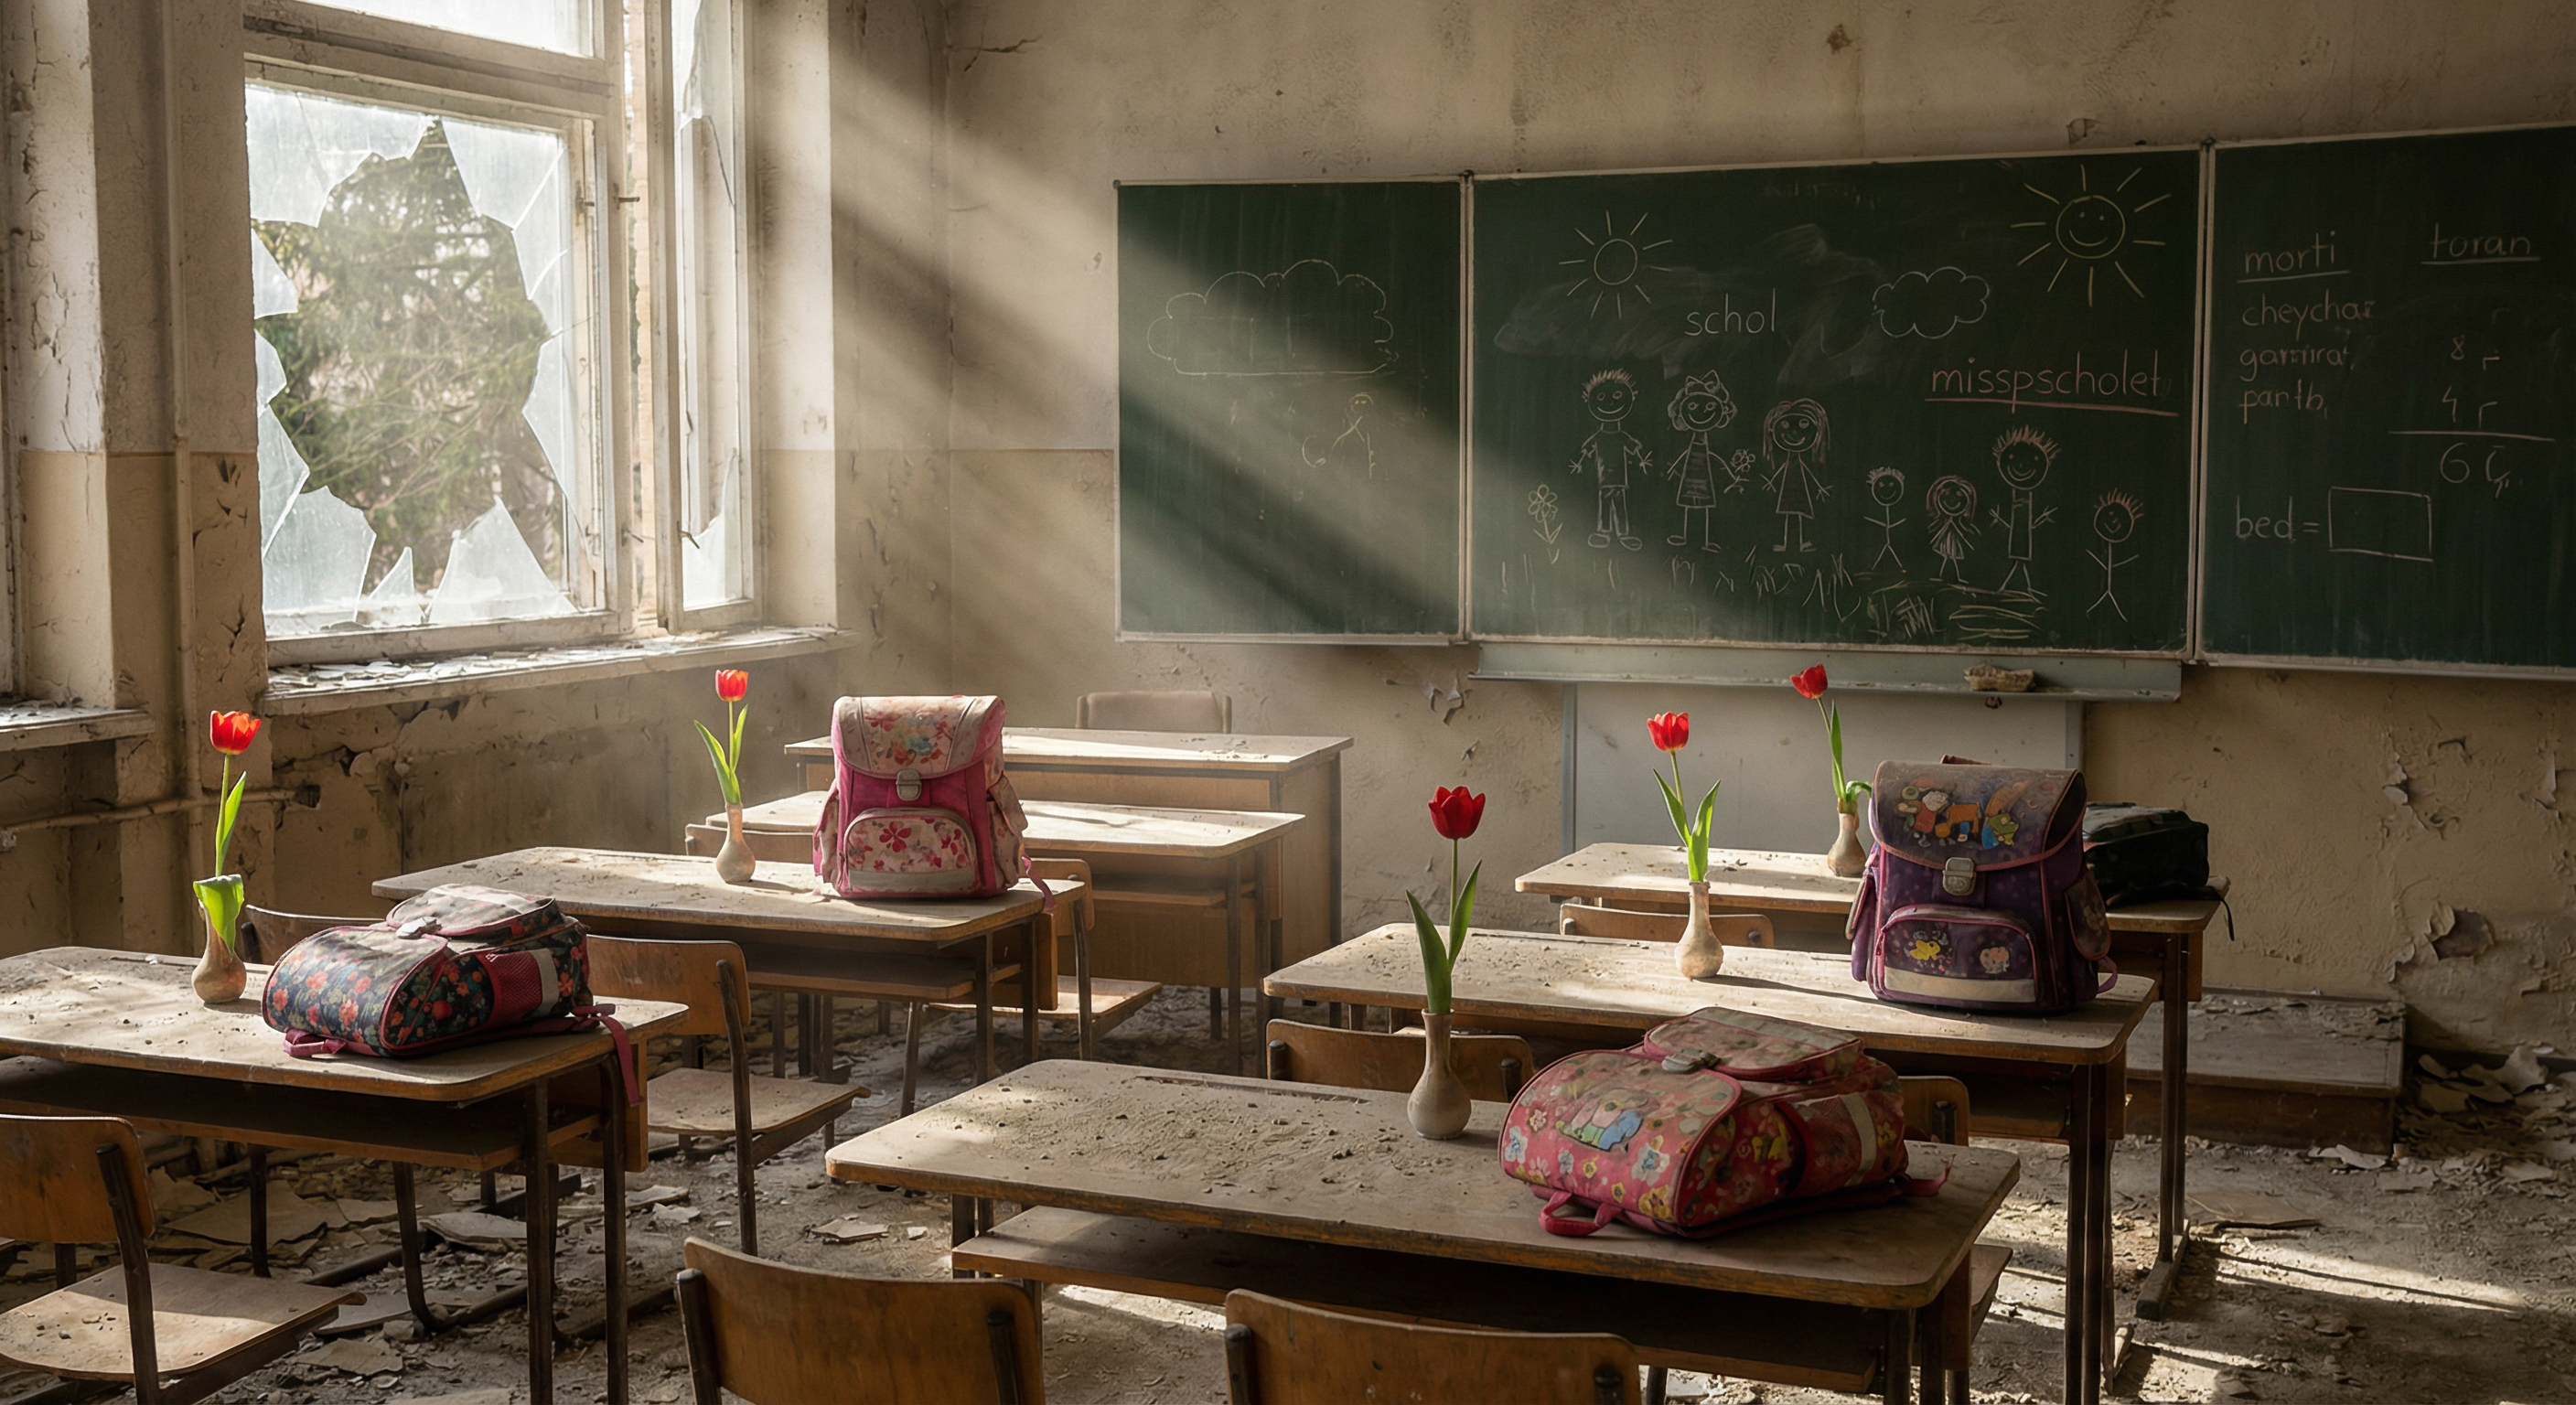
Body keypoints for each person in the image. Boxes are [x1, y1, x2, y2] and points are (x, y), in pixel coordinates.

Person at [1569, 369, 1648, 550]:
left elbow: (1634, 447)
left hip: (1618, 478)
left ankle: (1622, 533)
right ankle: (1605, 532)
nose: (1610, 402)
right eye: (1601, 397)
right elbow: (1586, 449)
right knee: (1607, 504)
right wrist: (1581, 459)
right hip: (1604, 478)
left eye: (1617, 395)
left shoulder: (1621, 436)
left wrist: (1640, 457)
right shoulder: (1600, 436)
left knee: (1618, 505)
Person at [1662, 370, 1741, 552]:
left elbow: (1713, 459)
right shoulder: (1692, 445)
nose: (1702, 411)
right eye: (1693, 406)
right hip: (1691, 477)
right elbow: (1688, 457)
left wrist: (1731, 477)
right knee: (1689, 505)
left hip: (1702, 478)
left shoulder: (1706, 445)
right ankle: (1686, 536)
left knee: (1703, 506)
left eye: (1710, 407)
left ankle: (1704, 540)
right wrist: (1673, 469)